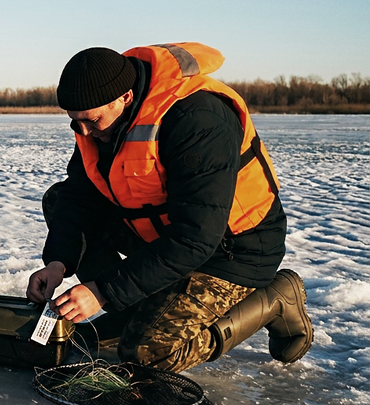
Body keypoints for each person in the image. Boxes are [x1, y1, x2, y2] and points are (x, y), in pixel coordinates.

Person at [26, 43, 313, 372]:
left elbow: (196, 237)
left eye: (91, 121)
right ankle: (135, 311)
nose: (84, 132)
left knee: (147, 353)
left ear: (125, 98)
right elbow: (79, 195)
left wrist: (104, 291)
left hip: (232, 250)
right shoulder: (100, 127)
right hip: (165, 234)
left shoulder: (198, 120)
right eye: (75, 123)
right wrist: (59, 262)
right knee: (59, 200)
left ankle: (275, 298)